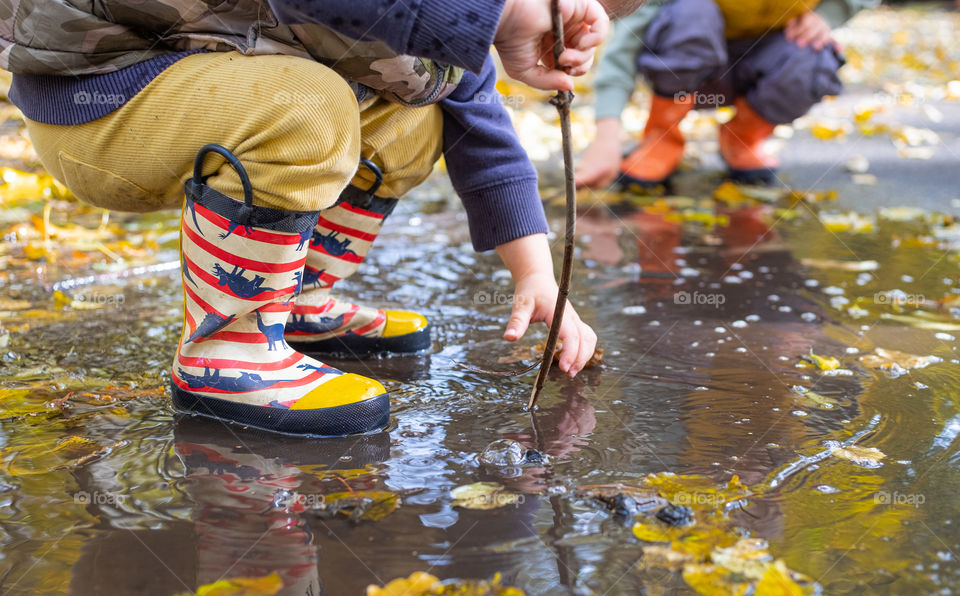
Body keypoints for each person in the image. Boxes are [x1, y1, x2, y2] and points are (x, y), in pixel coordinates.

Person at [1, 0, 606, 436]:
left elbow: (483, 134)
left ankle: (289, 300)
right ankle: (227, 349)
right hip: (101, 100)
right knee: (310, 103)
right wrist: (495, 15)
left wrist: (537, 278)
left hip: (209, 89)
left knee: (417, 120)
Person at [576, 0, 878, 189]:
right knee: (693, 12)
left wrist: (831, 12)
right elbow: (627, 40)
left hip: (767, 59)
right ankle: (661, 138)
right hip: (687, 65)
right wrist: (607, 134)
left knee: (815, 59)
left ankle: (743, 137)